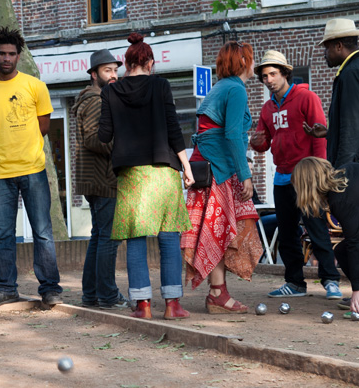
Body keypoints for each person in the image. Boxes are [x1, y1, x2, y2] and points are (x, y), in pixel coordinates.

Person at [99, 33, 194, 320]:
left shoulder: (111, 92)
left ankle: (142, 305)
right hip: (163, 170)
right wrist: (186, 167)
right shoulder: (161, 86)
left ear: (126, 64)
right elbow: (174, 129)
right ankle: (173, 305)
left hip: (131, 175)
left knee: (136, 239)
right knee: (168, 237)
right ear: (150, 63)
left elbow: (104, 135)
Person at [0, 27, 63, 308]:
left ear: (18, 56)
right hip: (0, 174)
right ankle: (6, 288)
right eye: (2, 53)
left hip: (33, 169)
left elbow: (43, 127)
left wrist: (23, 147)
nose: (6, 58)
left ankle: (50, 289)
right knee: (4, 235)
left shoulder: (35, 86)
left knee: (43, 231)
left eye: (11, 54)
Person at [250, 50, 341, 299]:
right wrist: (255, 142)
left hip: (307, 177)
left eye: (273, 74)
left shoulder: (306, 97)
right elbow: (263, 144)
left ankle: (331, 280)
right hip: (281, 177)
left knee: (316, 227)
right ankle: (295, 283)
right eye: (264, 76)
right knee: (287, 232)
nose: (268, 79)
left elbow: (319, 135)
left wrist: (320, 172)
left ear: (285, 74)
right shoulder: (267, 108)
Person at [181, 41, 262, 314]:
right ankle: (218, 294)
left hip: (208, 166)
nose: (254, 63)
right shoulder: (235, 89)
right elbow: (231, 136)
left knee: (214, 231)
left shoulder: (218, 88)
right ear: (242, 61)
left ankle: (218, 291)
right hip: (220, 171)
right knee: (219, 231)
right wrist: (245, 175)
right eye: (251, 58)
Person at [72, 49, 127, 310]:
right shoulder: (97, 99)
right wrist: (123, 146)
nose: (114, 75)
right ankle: (107, 295)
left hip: (94, 178)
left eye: (116, 70)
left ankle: (91, 294)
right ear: (94, 75)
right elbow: (95, 138)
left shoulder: (98, 97)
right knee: (108, 238)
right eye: (108, 70)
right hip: (102, 178)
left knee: (99, 236)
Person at [291, 157, 359, 314]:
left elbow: (355, 243)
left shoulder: (340, 200)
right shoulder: (345, 172)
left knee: (349, 248)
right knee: (341, 251)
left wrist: (357, 290)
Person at [303, 19, 359, 169]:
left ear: (339, 46)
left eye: (326, 48)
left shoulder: (350, 74)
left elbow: (351, 128)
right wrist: (330, 133)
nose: (324, 54)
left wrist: (340, 175)